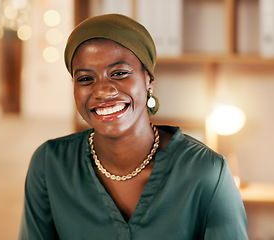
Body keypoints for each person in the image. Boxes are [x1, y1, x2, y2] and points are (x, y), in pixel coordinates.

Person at [19, 14, 248, 240]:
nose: (102, 91)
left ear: (148, 79)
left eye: (119, 73)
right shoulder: (50, 165)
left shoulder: (206, 172)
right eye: (86, 79)